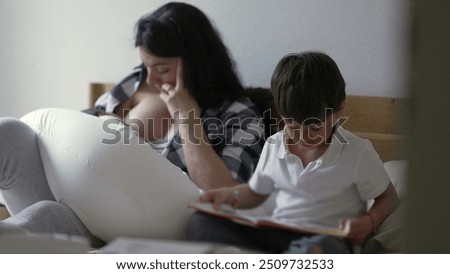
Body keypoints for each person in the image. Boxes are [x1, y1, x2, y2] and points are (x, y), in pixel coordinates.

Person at [0, 2, 265, 244]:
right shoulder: (138, 82)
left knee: (49, 214)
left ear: (197, 63)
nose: (152, 78)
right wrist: (106, 123)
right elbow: (75, 134)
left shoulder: (239, 113)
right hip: (75, 193)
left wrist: (188, 120)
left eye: (162, 68)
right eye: (145, 65)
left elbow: (225, 195)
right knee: (8, 133)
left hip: (132, 225)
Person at [186, 51, 399, 253]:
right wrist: (226, 195)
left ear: (339, 110)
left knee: (314, 250)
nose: (303, 137)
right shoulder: (273, 144)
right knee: (201, 223)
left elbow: (388, 197)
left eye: (315, 127)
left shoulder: (357, 152)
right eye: (293, 126)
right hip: (276, 231)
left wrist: (369, 222)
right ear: (280, 115)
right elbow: (256, 192)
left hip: (325, 238)